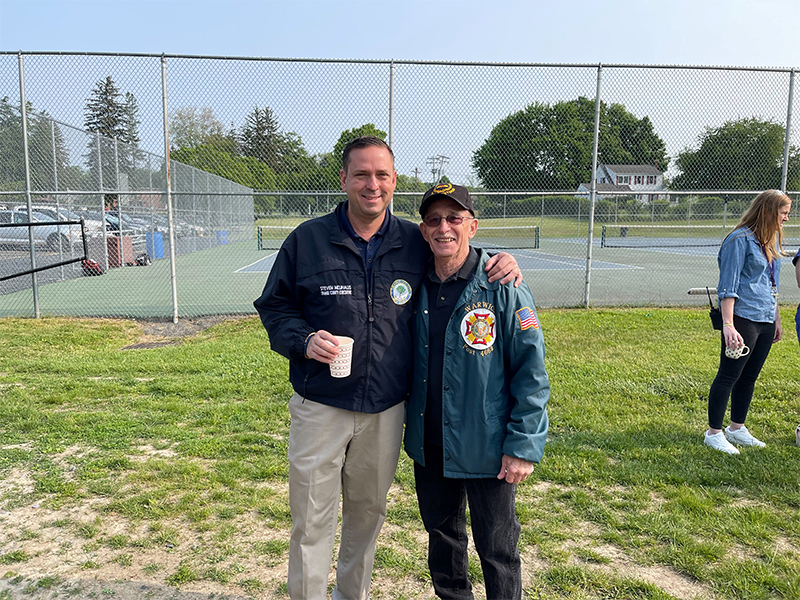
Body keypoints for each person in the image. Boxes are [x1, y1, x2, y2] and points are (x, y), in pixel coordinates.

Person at [253, 136, 522, 600]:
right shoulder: (308, 240)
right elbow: (274, 307)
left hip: (386, 411)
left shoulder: (412, 241)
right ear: (344, 179)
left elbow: (456, 249)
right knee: (312, 520)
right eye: (361, 174)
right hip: (321, 405)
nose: (371, 184)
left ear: (394, 181)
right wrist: (303, 339)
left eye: (382, 175)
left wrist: (502, 262)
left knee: (367, 516)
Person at [404, 183, 549, 600]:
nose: (444, 227)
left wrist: (523, 444)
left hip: (488, 446)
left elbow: (531, 372)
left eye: (454, 218)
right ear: (423, 230)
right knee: (443, 543)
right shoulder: (414, 284)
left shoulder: (503, 286)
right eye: (434, 220)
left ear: (473, 225)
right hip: (431, 444)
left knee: (498, 551)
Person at [704, 189, 792, 455]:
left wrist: (775, 318)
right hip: (743, 318)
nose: (787, 219)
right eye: (783, 213)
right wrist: (729, 325)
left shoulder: (768, 242)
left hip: (765, 319)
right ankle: (714, 433)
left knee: (749, 376)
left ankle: (736, 428)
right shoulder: (738, 240)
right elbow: (728, 286)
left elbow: (770, 284)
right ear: (767, 212)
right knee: (729, 374)